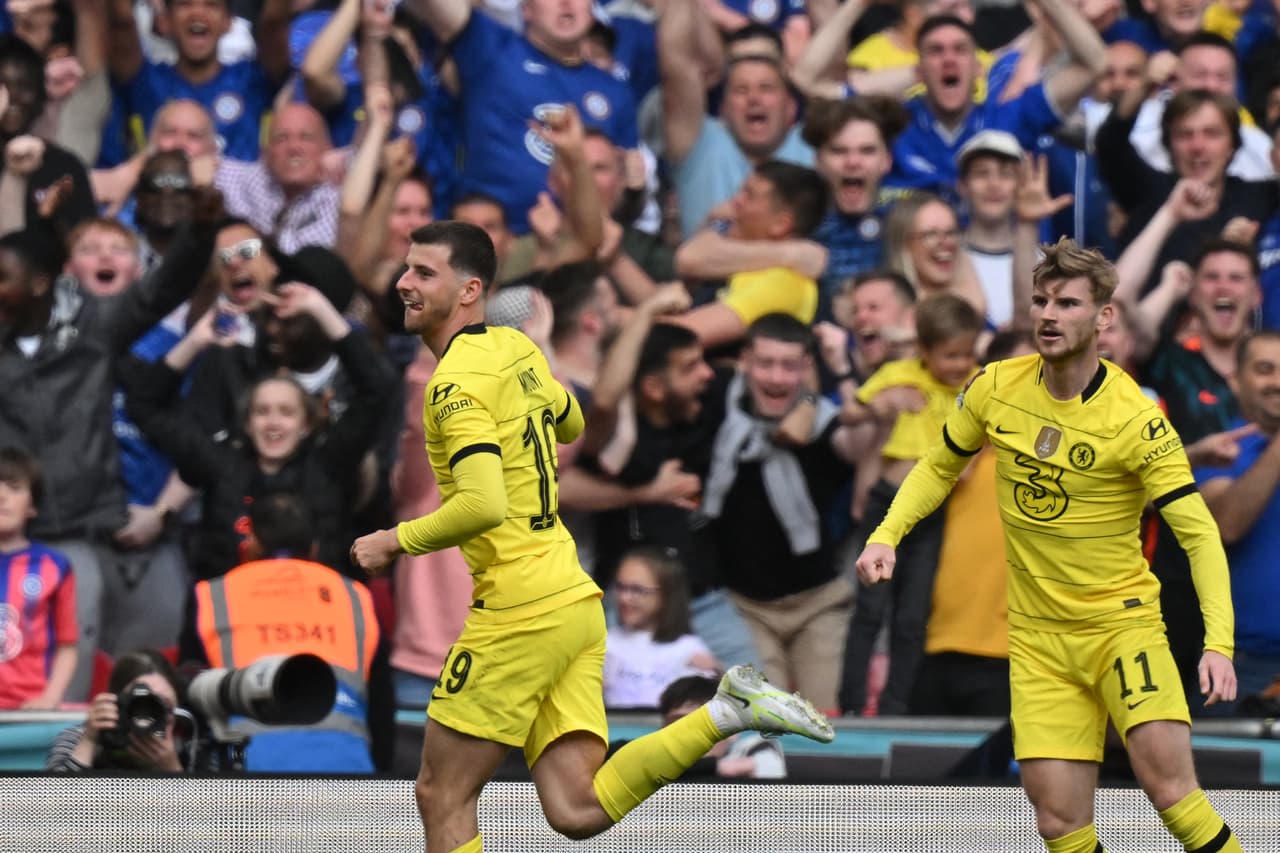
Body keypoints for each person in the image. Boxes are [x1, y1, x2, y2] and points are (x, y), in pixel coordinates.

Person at [350, 221, 832, 853]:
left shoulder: (455, 384)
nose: (403, 283)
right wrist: (537, 363)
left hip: (519, 610)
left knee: (442, 795)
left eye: (424, 272)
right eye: (407, 268)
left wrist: (393, 540)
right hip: (573, 602)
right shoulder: (515, 349)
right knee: (576, 808)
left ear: (470, 290)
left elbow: (482, 505)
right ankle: (725, 712)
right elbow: (571, 422)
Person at [855, 238, 1242, 853]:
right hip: (1038, 642)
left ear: (1104, 317)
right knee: (1060, 822)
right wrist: (886, 535)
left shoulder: (1136, 419)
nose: (1049, 315)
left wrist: (1218, 643)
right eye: (1041, 301)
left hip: (1121, 628)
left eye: (1067, 303)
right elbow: (938, 466)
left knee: (1172, 793)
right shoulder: (995, 386)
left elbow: (1199, 534)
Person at [839, 293, 983, 716]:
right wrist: (884, 403)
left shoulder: (977, 384)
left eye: (967, 353)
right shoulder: (899, 375)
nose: (961, 364)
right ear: (923, 349)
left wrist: (971, 460)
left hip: (932, 514)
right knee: (870, 610)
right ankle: (851, 705)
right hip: (887, 504)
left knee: (912, 617)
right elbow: (850, 414)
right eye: (951, 355)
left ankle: (896, 708)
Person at [179, 491, 392, 772]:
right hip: (345, 769)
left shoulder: (213, 595)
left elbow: (191, 694)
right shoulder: (354, 596)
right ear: (314, 547)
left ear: (252, 543)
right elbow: (382, 709)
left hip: (246, 773)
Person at [1194, 330, 1280, 716]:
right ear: (1235, 380)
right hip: (1242, 666)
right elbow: (1228, 524)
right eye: (1265, 369)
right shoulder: (1218, 451)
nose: (1277, 381)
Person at [0, 447, 77, 710]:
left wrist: (50, 698)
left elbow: (68, 645)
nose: (1, 496)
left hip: (30, 708)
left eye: (14, 488)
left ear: (32, 506)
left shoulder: (54, 566)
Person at [603, 546, 718, 710]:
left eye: (637, 590)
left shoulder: (690, 649)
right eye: (620, 587)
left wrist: (715, 677)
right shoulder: (605, 643)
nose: (624, 598)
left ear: (666, 594)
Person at [45, 648, 190, 773]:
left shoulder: (187, 746)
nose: (148, 715)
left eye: (163, 705)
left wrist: (172, 768)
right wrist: (89, 741)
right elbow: (58, 796)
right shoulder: (81, 738)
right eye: (140, 704)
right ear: (115, 703)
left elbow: (196, 798)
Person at [657, 675, 786, 780]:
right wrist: (716, 767)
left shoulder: (751, 748)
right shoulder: (655, 755)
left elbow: (774, 773)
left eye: (704, 724)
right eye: (678, 723)